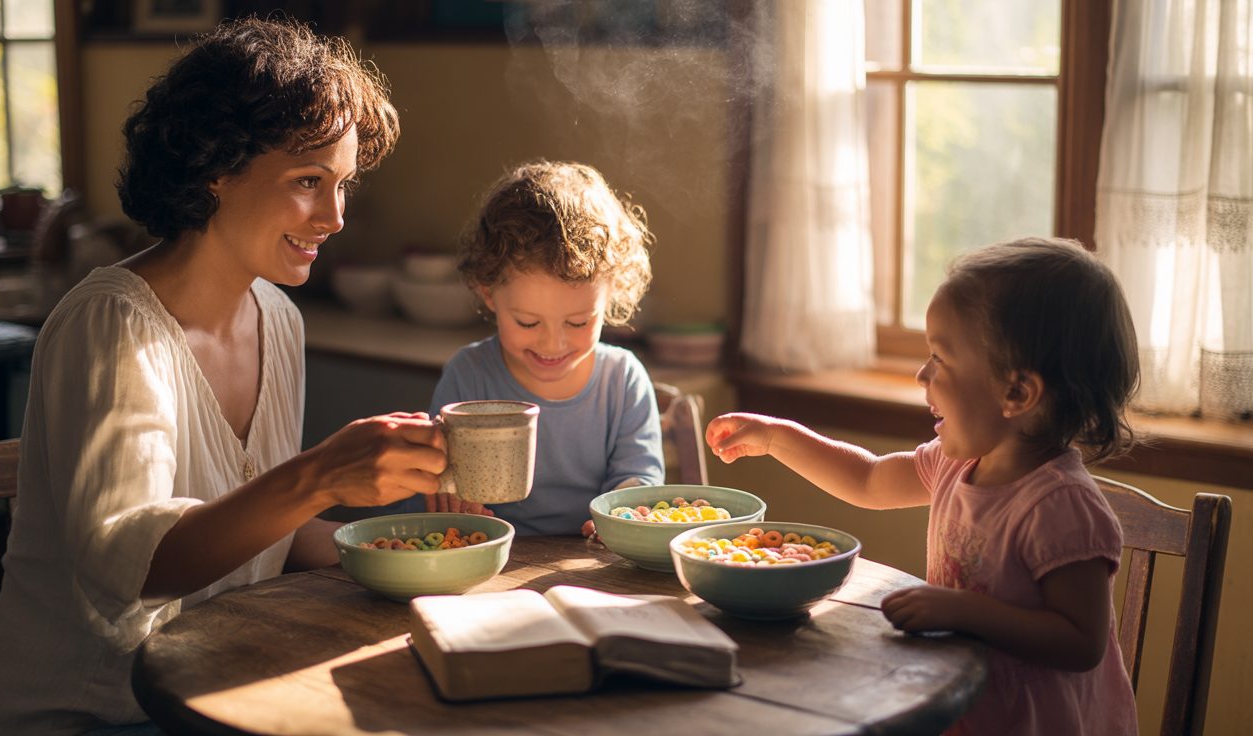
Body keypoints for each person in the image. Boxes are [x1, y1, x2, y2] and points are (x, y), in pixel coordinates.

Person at [0, 17, 446, 735]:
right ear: (216, 169)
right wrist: (321, 473)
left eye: (343, 185)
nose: (336, 217)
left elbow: (262, 529)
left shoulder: (278, 319)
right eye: (308, 181)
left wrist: (408, 552)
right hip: (87, 713)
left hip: (212, 691)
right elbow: (133, 567)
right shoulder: (112, 326)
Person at [706, 237, 1141, 735]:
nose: (921, 374)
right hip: (967, 704)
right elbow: (868, 478)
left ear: (1017, 392)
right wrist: (778, 437)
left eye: (939, 358)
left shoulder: (1061, 506)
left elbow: (1079, 642)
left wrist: (964, 610)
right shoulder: (958, 465)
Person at [415, 161, 664, 535]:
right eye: (528, 323)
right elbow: (439, 481)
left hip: (594, 567)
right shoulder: (469, 374)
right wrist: (448, 498)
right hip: (492, 560)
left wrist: (625, 513)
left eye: (578, 322)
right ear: (489, 293)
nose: (553, 344)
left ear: (611, 294)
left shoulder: (623, 380)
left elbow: (639, 480)